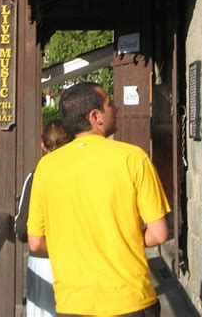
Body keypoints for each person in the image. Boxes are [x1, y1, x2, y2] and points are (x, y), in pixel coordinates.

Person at [27, 82, 171, 317]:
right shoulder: (133, 158)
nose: (115, 108)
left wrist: (76, 246)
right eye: (109, 104)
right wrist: (122, 238)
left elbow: (36, 242)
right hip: (130, 300)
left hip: (73, 303)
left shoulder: (46, 168)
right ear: (96, 117)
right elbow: (159, 234)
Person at [15, 119, 73, 316]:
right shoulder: (81, 172)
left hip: (43, 261)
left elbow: (22, 229)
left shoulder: (36, 176)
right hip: (78, 259)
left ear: (43, 145)